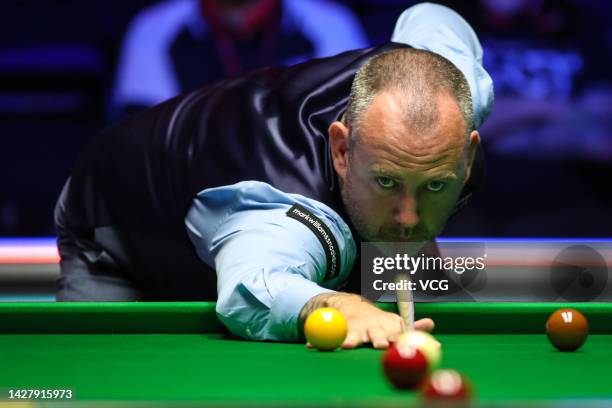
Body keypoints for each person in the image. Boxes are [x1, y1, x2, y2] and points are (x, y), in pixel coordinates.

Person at [55, 3, 493, 349]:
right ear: (342, 150)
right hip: (122, 216)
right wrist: (330, 303)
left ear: (468, 153)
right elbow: (252, 287)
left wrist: (396, 193)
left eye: (436, 184)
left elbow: (432, 17)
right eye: (386, 181)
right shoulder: (279, 207)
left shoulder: (453, 90)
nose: (408, 218)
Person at [111, 0, 368, 119]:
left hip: (301, 191)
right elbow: (142, 142)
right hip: (188, 195)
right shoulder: (153, 29)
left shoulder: (332, 25)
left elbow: (349, 129)